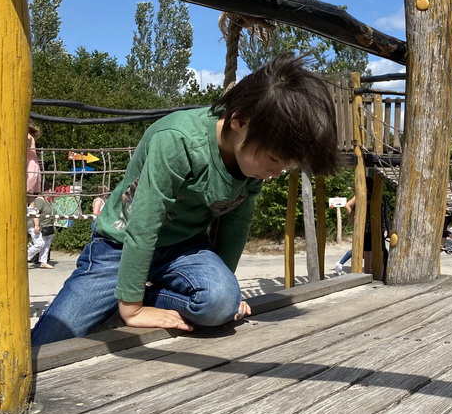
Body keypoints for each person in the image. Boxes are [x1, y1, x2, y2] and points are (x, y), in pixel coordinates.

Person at [31, 54, 339, 346]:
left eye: (286, 166)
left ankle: (120, 301)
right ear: (239, 122)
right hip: (121, 244)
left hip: (183, 248)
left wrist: (227, 292)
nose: (276, 172)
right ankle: (123, 297)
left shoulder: (252, 168)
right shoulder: (179, 140)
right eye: (274, 159)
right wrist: (132, 308)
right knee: (49, 341)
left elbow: (236, 224)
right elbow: (144, 222)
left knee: (219, 304)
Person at [27, 193, 56, 269]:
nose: (53, 192)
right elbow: (35, 213)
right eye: (51, 190)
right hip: (37, 225)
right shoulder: (39, 200)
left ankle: (43, 262)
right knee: (40, 243)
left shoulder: (48, 201)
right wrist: (36, 225)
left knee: (46, 245)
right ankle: (26, 256)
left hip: (47, 226)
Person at [26, 122, 43, 195]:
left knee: (27, 189)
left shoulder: (28, 137)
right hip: (33, 165)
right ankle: (32, 206)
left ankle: (30, 206)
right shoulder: (31, 137)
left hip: (29, 165)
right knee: (30, 193)